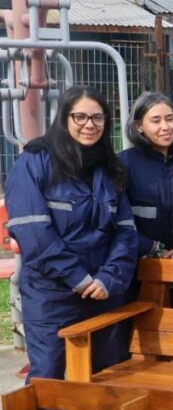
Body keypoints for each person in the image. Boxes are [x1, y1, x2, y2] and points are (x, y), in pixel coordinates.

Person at [4, 86, 137, 380]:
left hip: (104, 293)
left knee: (109, 374)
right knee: (49, 376)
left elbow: (126, 232)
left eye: (98, 118)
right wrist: (78, 278)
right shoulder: (34, 163)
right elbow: (34, 235)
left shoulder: (109, 168)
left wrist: (109, 278)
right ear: (64, 118)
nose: (90, 125)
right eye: (80, 117)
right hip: (53, 295)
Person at [119, 92, 173, 309]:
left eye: (170, 119)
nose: (166, 126)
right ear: (139, 126)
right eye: (156, 120)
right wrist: (152, 249)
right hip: (136, 268)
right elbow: (117, 220)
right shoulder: (123, 165)